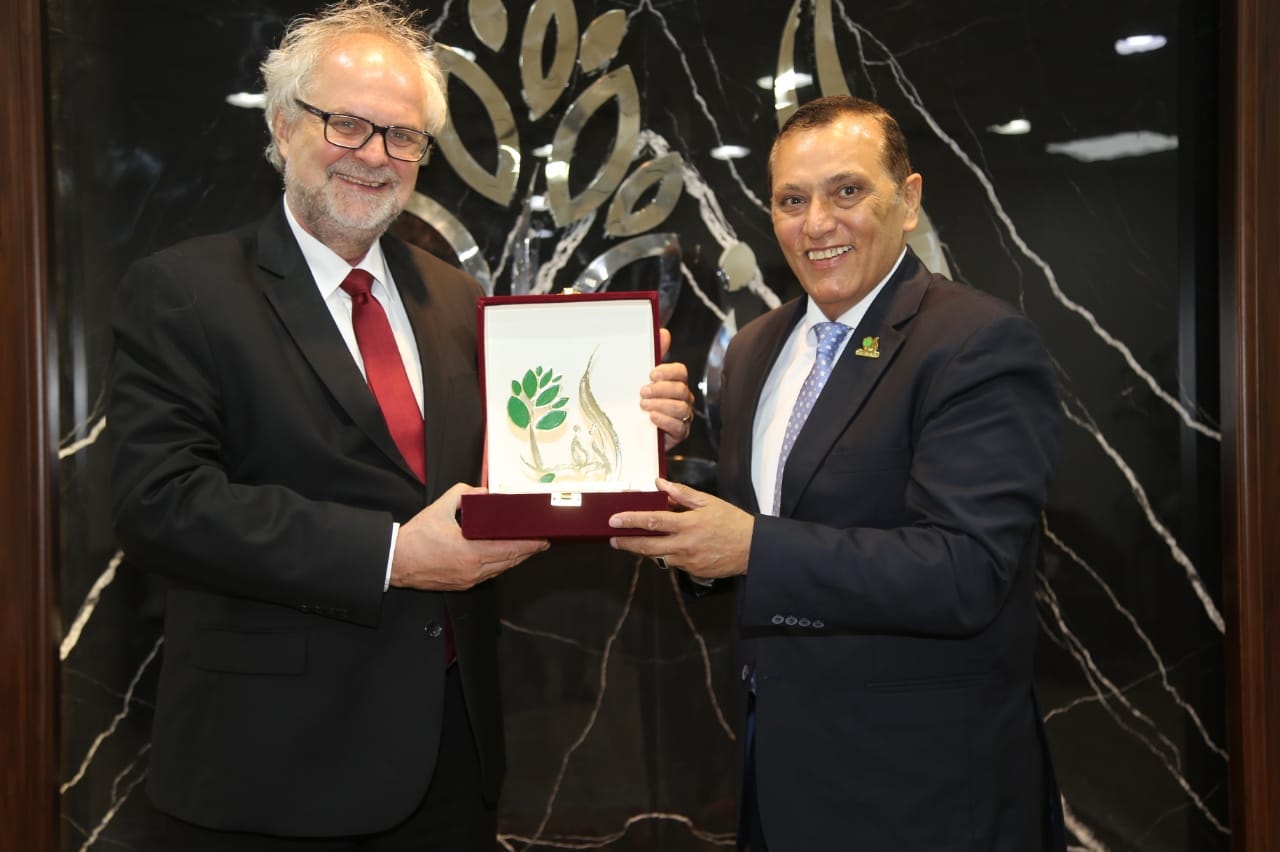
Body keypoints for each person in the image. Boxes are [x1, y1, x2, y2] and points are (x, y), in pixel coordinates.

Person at [106, 2, 695, 849]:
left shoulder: (454, 297)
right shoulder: (185, 291)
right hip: (269, 768)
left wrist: (633, 422)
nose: (375, 155)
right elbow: (159, 503)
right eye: (347, 123)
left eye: (403, 136)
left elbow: (512, 467)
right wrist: (391, 554)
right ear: (283, 125)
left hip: (451, 756)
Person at [609, 95, 1066, 852]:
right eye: (792, 200)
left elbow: (967, 570)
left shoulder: (977, 344)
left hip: (926, 794)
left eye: (846, 191)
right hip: (774, 776)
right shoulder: (755, 349)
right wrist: (657, 456)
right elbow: (768, 513)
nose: (817, 223)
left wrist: (752, 547)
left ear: (908, 201)